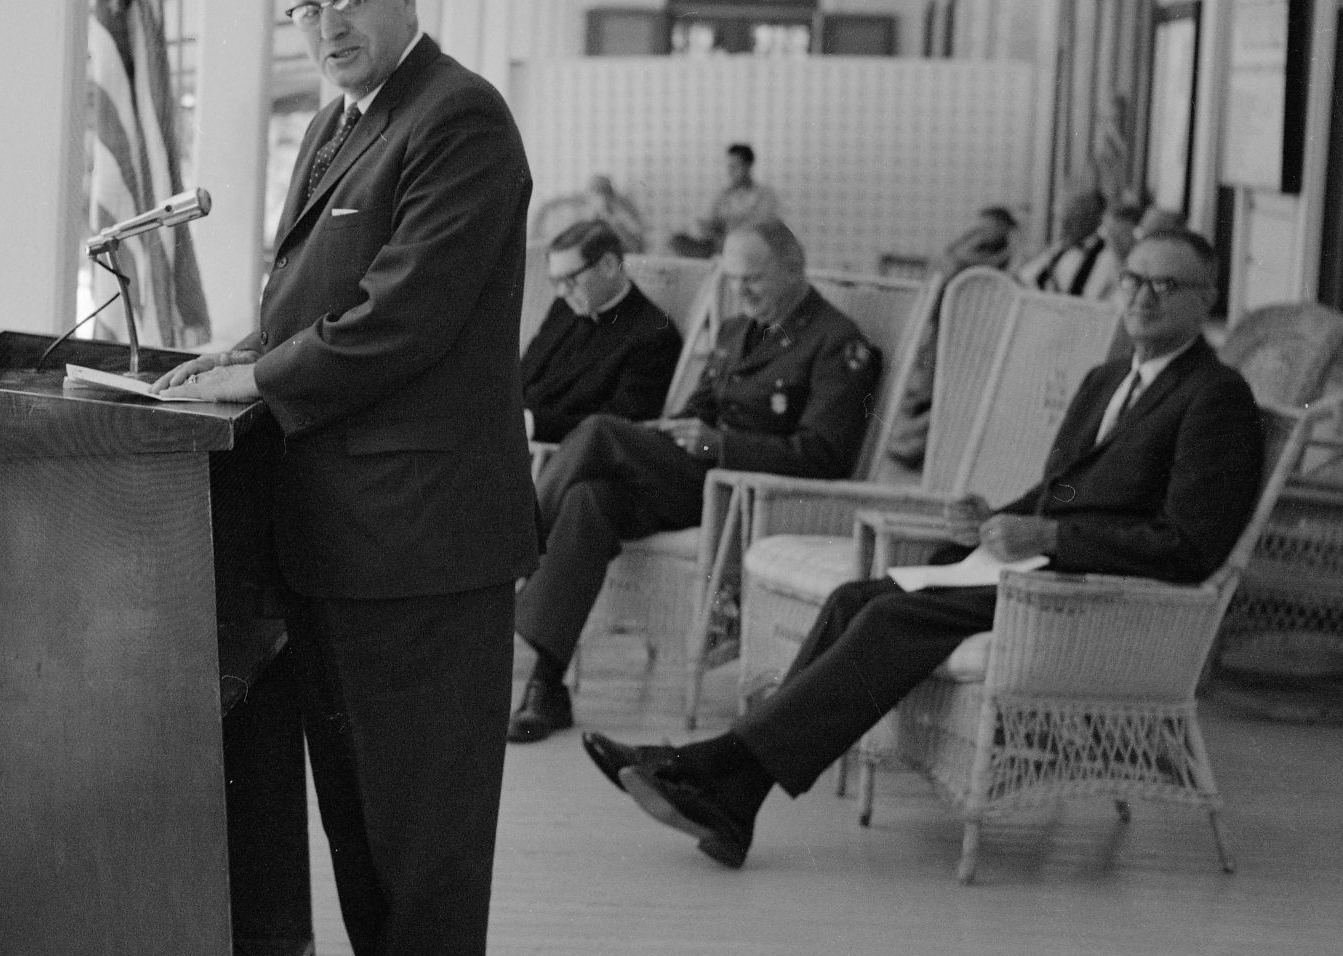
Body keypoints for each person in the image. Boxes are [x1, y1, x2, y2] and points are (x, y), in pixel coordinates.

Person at [159, 0, 539, 956]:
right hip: (339, 538)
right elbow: (312, 299)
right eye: (305, 8)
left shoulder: (458, 120)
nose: (326, 26)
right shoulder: (341, 122)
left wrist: (258, 380)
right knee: (365, 819)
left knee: (422, 826)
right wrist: (237, 353)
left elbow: (400, 317)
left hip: (423, 545)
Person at [584, 225, 1260, 867]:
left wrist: (1053, 535)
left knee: (889, 615)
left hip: (1093, 595)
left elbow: (1188, 547)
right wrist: (995, 519)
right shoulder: (1107, 380)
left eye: (1166, 286)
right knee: (855, 598)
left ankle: (711, 769)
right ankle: (733, 798)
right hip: (1034, 569)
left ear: (1206, 299)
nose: (1143, 297)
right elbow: (1065, 490)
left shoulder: (1216, 399)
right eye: (1134, 280)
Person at [510, 219, 881, 741]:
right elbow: (700, 410)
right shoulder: (736, 331)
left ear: (794, 268)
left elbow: (824, 456)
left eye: (753, 279)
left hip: (744, 494)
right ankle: (546, 689)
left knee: (599, 432)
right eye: (732, 279)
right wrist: (678, 431)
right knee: (589, 499)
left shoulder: (837, 343)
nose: (740, 291)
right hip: (692, 478)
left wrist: (716, 445)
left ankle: (511, 550)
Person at [881, 205, 1023, 472]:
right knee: (933, 384)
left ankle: (917, 443)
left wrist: (1008, 247)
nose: (982, 230)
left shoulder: (1001, 255)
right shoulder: (973, 246)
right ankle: (913, 439)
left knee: (949, 389)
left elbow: (965, 263)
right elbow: (950, 258)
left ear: (1003, 227)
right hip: (947, 321)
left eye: (988, 225)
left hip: (973, 327)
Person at [521, 219, 682, 445]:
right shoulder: (565, 306)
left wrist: (531, 424)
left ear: (608, 265)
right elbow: (525, 373)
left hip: (563, 453)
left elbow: (616, 426)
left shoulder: (654, 334)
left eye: (570, 279)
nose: (562, 292)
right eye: (555, 281)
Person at [667, 142, 782, 258]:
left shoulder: (765, 195)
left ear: (748, 166)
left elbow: (764, 227)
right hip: (720, 244)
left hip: (747, 247)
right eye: (729, 166)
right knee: (676, 240)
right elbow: (710, 222)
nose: (730, 171)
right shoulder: (723, 195)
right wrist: (708, 227)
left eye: (735, 166)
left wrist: (732, 227)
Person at [1016, 187, 1109, 295]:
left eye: (1085, 213)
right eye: (1073, 210)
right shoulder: (1060, 248)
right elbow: (1024, 278)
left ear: (1098, 219)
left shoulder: (1106, 255)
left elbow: (1090, 298)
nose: (1075, 216)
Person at [1076, 188, 1153, 302]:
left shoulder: (1142, 264)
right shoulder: (1104, 258)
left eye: (1121, 234)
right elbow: (1089, 295)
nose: (1114, 241)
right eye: (1111, 234)